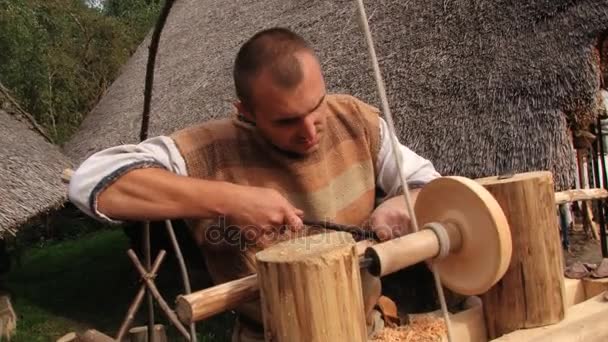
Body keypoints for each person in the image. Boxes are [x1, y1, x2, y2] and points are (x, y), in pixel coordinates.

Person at [68, 27, 441, 341]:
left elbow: (428, 183)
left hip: (367, 329)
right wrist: (229, 199)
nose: (309, 132)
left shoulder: (355, 119)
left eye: (316, 107)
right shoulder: (208, 151)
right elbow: (91, 181)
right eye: (286, 121)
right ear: (245, 111)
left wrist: (401, 204)